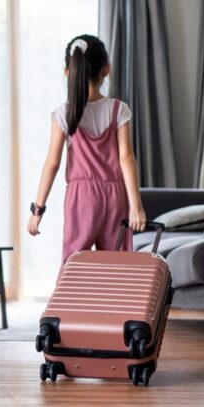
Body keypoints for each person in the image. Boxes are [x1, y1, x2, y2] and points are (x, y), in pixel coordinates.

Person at [27, 34, 146, 265]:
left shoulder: (64, 114)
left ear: (67, 72)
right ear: (106, 70)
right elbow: (126, 159)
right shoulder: (118, 110)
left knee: (74, 265)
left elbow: (52, 163)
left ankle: (71, 302)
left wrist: (37, 210)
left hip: (81, 198)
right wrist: (136, 207)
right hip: (116, 197)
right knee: (117, 269)